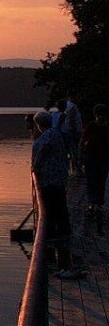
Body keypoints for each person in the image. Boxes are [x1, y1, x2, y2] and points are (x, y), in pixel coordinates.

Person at [32, 111, 82, 278]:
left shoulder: (49, 134)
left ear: (39, 124)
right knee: (56, 208)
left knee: (54, 209)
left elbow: (44, 148)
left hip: (52, 179)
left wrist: (36, 165)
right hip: (55, 179)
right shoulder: (54, 133)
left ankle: (56, 237)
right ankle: (57, 236)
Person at [82, 104, 109, 234]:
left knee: (101, 179)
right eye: (100, 114)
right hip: (91, 156)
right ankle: (92, 203)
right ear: (96, 114)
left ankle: (98, 203)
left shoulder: (107, 127)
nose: (102, 116)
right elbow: (83, 141)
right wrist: (80, 157)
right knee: (92, 179)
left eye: (103, 114)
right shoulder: (91, 126)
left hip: (104, 157)